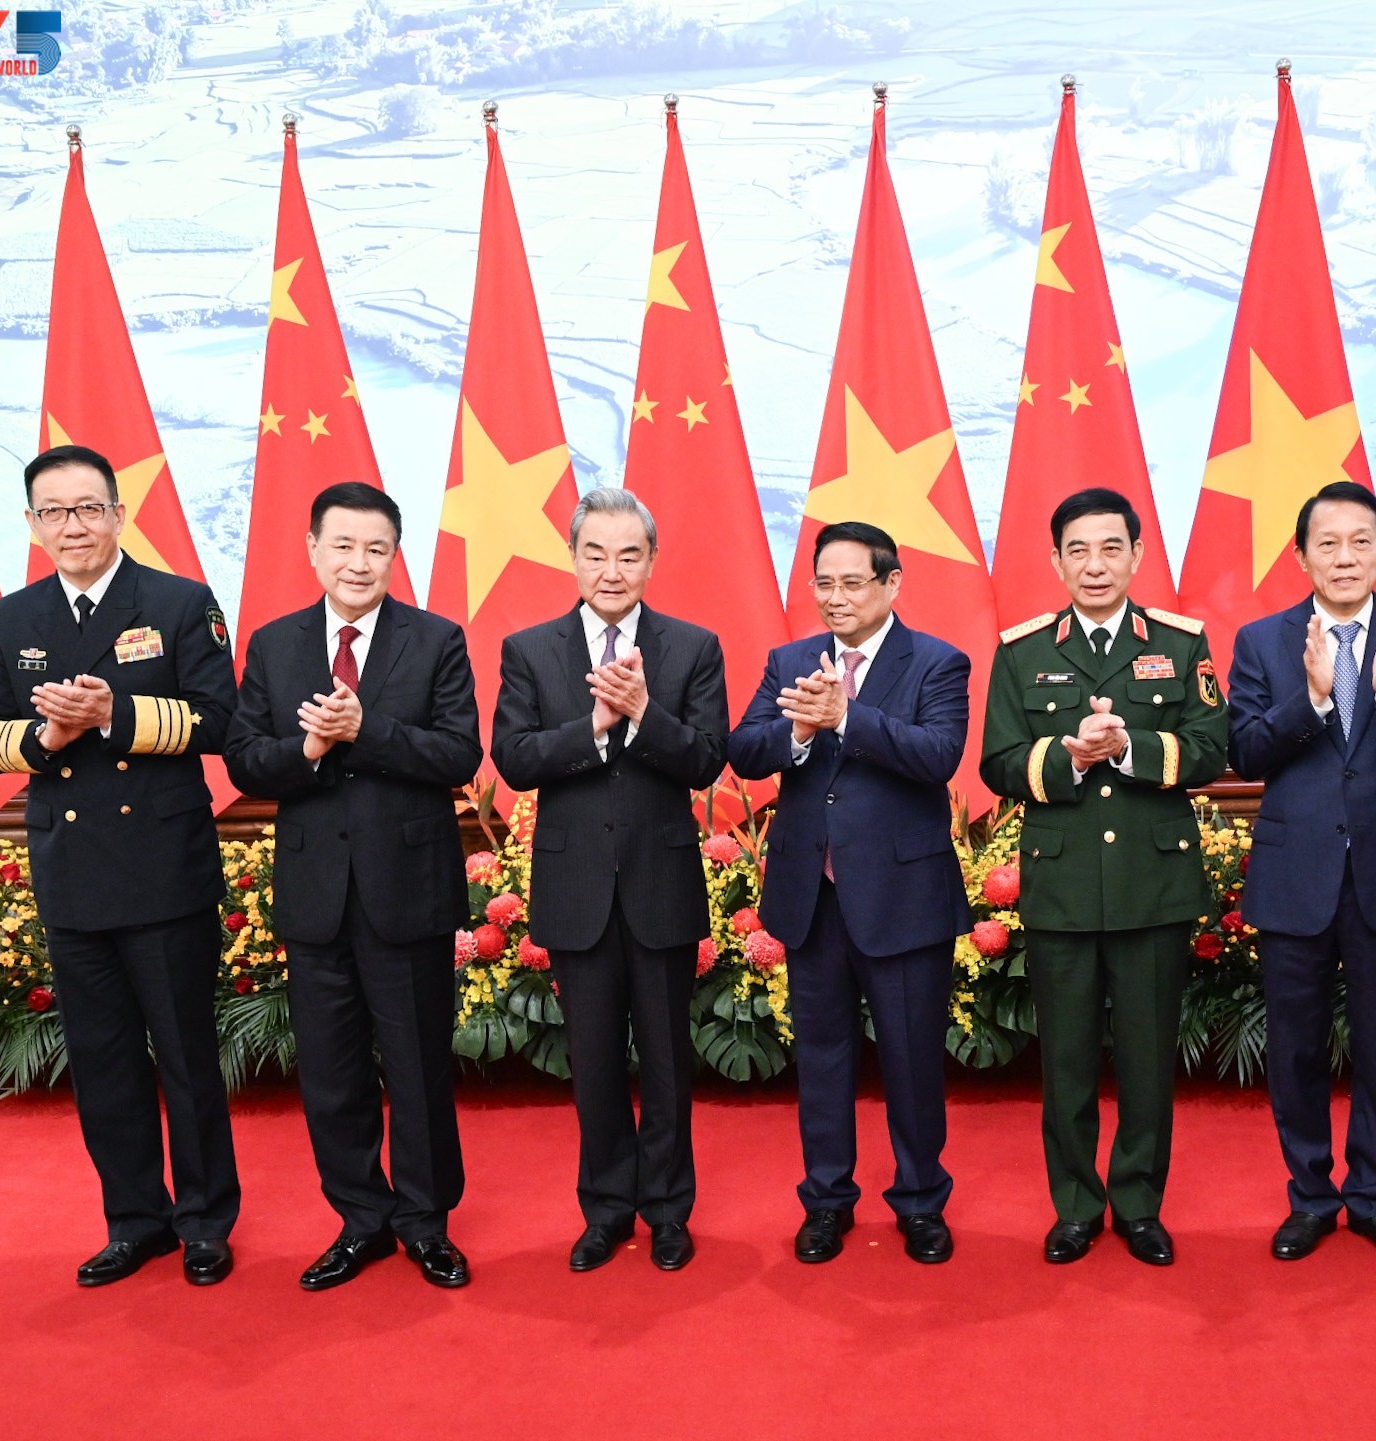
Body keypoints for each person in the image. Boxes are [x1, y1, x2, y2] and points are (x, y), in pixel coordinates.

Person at [0, 444, 239, 1287]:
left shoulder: (179, 601)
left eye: (88, 507)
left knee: (186, 1057)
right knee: (103, 1059)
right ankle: (134, 1220)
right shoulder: (10, 617)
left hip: (163, 867)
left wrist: (116, 713)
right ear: (32, 524)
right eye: (54, 511)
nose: (73, 525)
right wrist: (49, 735)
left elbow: (220, 719)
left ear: (119, 513)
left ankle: (204, 1222)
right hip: (73, 872)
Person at [224, 482, 479, 1291]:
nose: (358, 562)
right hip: (316, 895)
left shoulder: (435, 639)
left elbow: (459, 754)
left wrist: (367, 731)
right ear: (313, 549)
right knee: (331, 1073)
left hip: (409, 890)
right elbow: (243, 761)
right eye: (343, 545)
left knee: (418, 1068)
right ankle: (361, 1219)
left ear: (394, 555)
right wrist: (306, 749)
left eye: (376, 548)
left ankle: (426, 1223)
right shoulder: (274, 644)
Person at [979, 488, 1227, 1266]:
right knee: (1067, 1061)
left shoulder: (1181, 643)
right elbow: (997, 763)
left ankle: (1140, 1205)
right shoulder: (1022, 650)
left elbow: (1212, 748)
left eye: (1111, 547)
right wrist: (1071, 758)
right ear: (1056, 560)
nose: (1095, 564)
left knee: (1148, 1060)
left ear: (1137, 554)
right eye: (1078, 550)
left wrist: (1128, 749)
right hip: (1061, 888)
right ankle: (1077, 1206)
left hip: (1152, 885)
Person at [1226, 481, 1376, 1263]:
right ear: (1300, 556)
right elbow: (1244, 752)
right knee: (1295, 1047)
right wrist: (1311, 700)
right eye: (1326, 543)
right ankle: (1309, 1197)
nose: (1344, 556)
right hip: (1295, 873)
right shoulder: (1262, 640)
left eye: (1361, 541)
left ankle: (1373, 1197)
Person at [491, 488, 728, 1273]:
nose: (612, 570)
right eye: (595, 553)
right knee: (591, 1063)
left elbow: (706, 759)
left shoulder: (692, 647)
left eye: (629, 554)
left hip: (661, 885)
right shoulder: (531, 649)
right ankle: (604, 1210)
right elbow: (514, 757)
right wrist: (593, 728)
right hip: (577, 889)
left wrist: (645, 714)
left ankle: (667, 1210)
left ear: (652, 561)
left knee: (665, 1060)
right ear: (573, 557)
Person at [729, 521, 971, 1265]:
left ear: (891, 583)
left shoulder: (937, 661)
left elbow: (939, 755)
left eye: (852, 583)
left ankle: (921, 1201)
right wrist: (800, 733)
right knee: (823, 1058)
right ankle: (826, 1201)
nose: (835, 598)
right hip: (814, 897)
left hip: (903, 898)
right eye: (823, 583)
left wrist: (847, 718)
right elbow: (745, 749)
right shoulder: (790, 660)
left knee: (912, 1060)